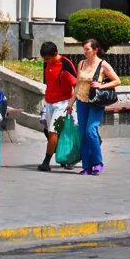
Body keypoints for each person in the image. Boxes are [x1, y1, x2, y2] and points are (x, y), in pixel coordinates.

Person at [74, 38, 121, 176]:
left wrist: (101, 85)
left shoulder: (103, 65)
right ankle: (86, 166)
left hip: (95, 102)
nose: (85, 52)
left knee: (91, 131)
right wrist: (71, 103)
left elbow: (117, 80)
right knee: (83, 134)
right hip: (81, 102)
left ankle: (98, 162)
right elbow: (77, 84)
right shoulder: (81, 63)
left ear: (96, 50)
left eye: (88, 49)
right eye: (84, 49)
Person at [37, 41, 78, 172]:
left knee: (53, 131)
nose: (46, 61)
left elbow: (76, 85)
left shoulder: (65, 65)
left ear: (55, 54)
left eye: (48, 58)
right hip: (49, 103)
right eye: (44, 59)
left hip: (62, 104)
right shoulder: (47, 63)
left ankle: (46, 161)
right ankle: (66, 157)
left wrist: (71, 103)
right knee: (50, 132)